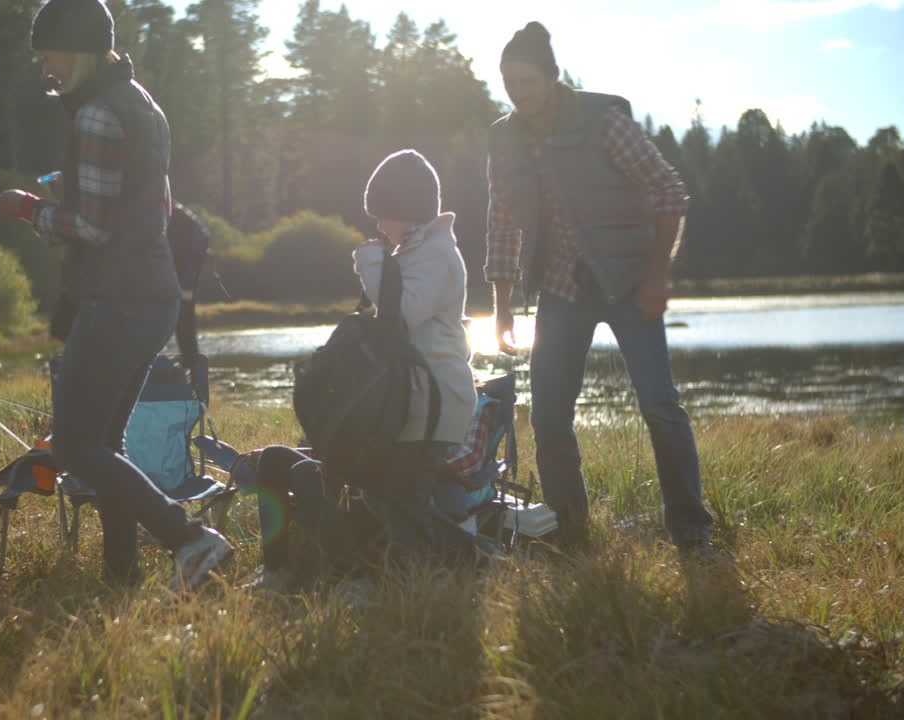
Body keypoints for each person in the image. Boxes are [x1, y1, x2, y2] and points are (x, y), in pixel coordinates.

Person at [0, 0, 232, 589]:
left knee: (75, 444)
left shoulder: (98, 115)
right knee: (105, 441)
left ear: (73, 47)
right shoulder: (142, 104)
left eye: (48, 51)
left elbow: (93, 228)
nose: (44, 65)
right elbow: (156, 206)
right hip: (154, 297)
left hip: (117, 298)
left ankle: (190, 539)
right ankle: (119, 576)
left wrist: (30, 210)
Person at [485, 21, 714, 556]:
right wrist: (501, 308)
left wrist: (659, 274)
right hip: (561, 290)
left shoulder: (604, 122)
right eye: (510, 83)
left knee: (660, 404)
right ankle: (571, 529)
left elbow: (668, 189)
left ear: (552, 76)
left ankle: (691, 527)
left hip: (630, 281)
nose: (520, 93)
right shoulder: (504, 138)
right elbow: (500, 222)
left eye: (528, 81)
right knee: (548, 415)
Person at [248, 150, 479, 588]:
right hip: (404, 401)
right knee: (390, 502)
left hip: (430, 405)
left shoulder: (436, 254)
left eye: (381, 215)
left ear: (402, 210)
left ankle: (452, 567)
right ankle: (366, 574)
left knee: (394, 504)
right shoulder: (416, 250)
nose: (377, 225)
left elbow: (401, 316)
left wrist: (371, 262)